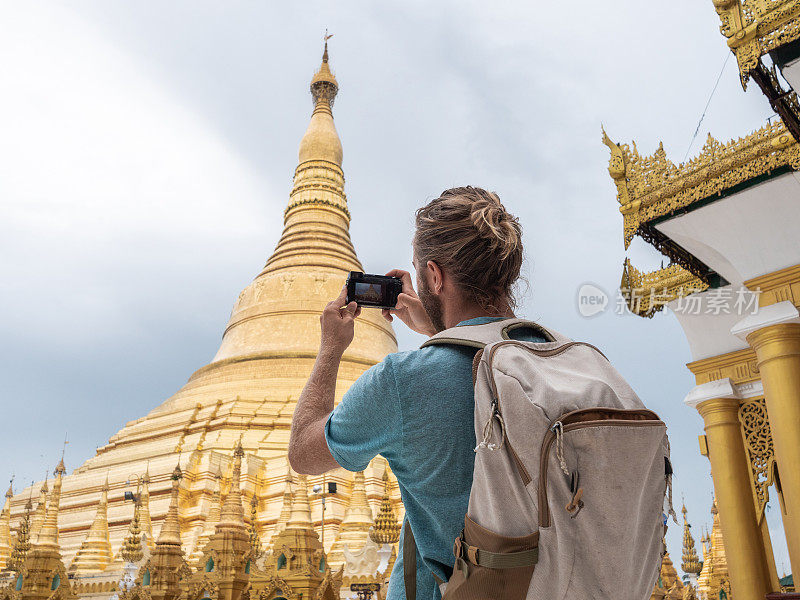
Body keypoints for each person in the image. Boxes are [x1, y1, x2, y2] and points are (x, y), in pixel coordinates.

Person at [287, 186, 547, 600]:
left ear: (434, 276)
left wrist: (331, 348)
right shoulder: (565, 359)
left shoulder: (402, 382)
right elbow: (483, 366)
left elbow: (302, 451)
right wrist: (441, 331)